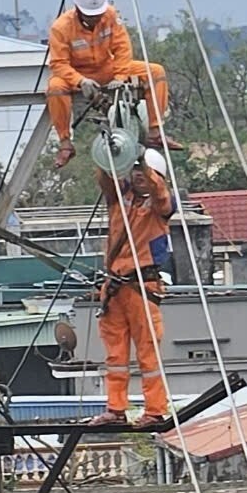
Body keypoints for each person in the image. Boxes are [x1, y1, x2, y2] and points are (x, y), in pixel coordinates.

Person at [90, 148, 175, 426]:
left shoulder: (159, 207)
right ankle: (115, 409)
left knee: (147, 353)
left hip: (142, 286)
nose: (139, 175)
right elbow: (104, 177)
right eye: (135, 170)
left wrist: (140, 160)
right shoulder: (120, 199)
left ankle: (154, 410)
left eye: (144, 171)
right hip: (115, 287)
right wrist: (111, 151)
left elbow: (159, 192)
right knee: (115, 355)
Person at [46, 0, 169, 167]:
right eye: (90, 15)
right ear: (78, 9)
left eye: (97, 14)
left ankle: (155, 131)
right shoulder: (61, 28)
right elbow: (59, 64)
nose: (95, 19)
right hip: (77, 74)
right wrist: (80, 81)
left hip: (107, 69)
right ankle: (65, 144)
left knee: (156, 72)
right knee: (55, 87)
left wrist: (120, 76)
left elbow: (122, 48)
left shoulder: (110, 16)